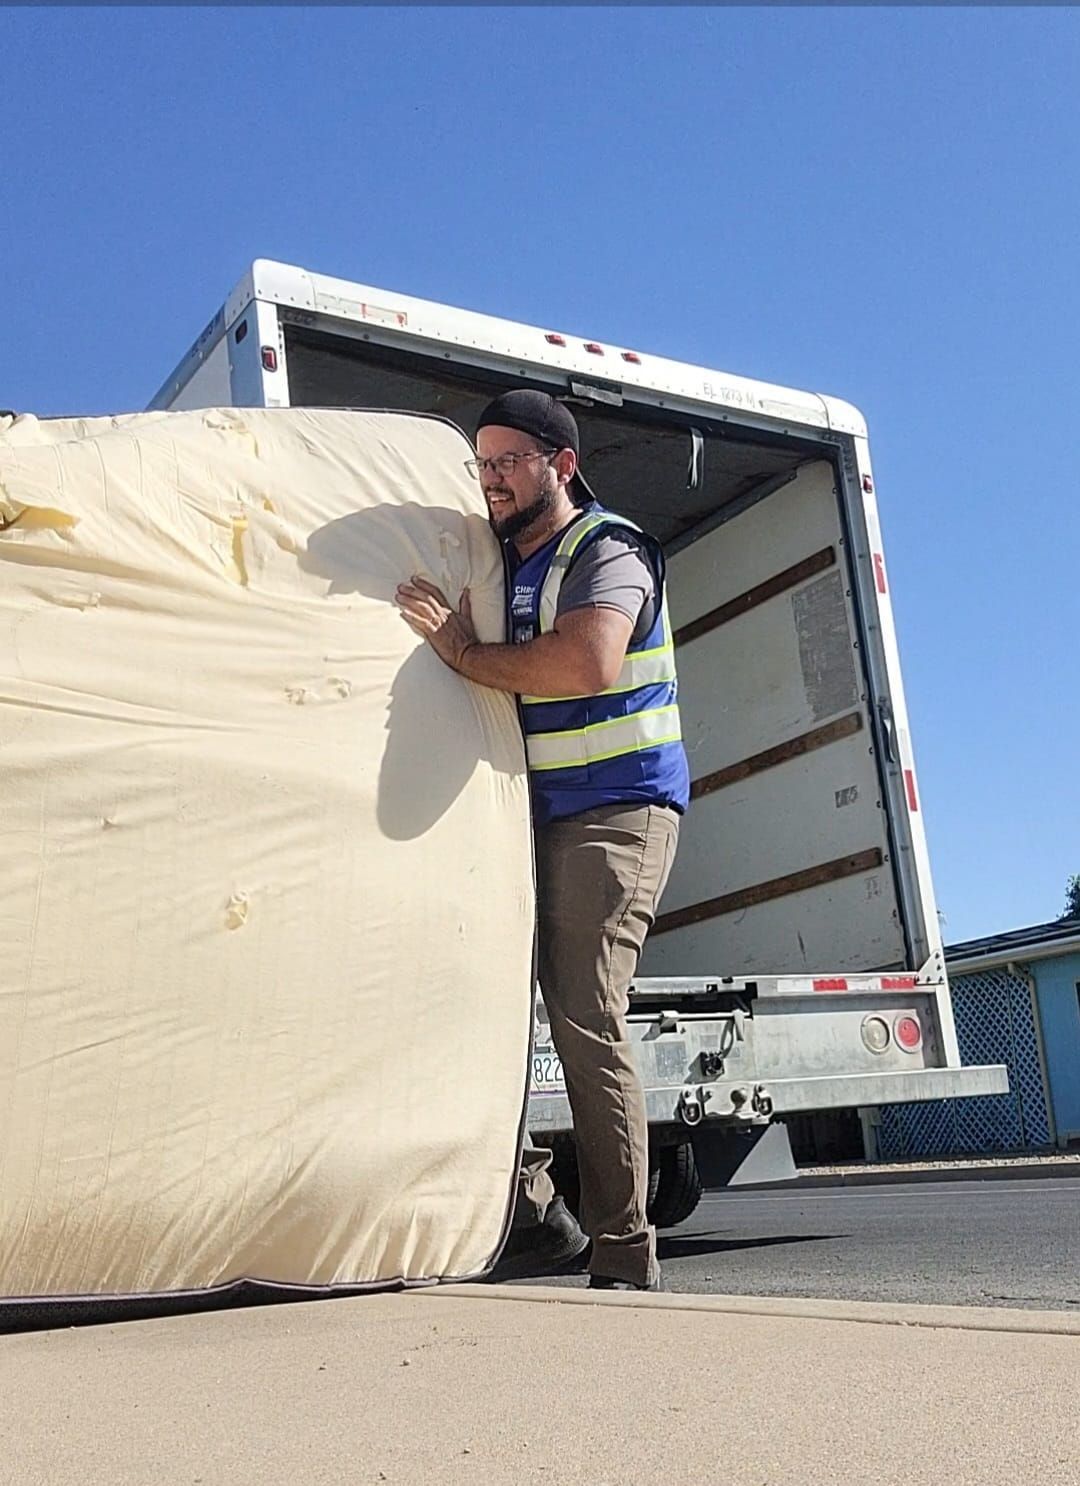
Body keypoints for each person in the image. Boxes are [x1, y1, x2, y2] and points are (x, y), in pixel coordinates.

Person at [395, 390, 690, 1291]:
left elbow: (587, 662)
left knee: (582, 1016)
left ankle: (622, 1249)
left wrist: (460, 652)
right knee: (480, 999)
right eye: (481, 464)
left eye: (507, 462)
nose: (489, 479)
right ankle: (531, 1213)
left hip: (616, 813)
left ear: (561, 464)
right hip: (538, 817)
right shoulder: (508, 564)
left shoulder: (606, 549)